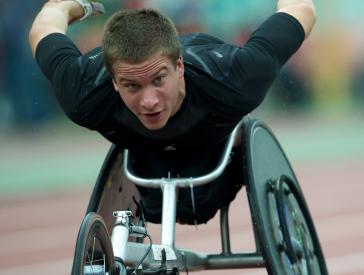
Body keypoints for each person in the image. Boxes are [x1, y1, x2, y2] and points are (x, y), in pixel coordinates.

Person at [29, 0, 316, 224]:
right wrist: (67, 6)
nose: (149, 101)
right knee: (158, 209)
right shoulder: (83, 91)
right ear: (114, 82)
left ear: (178, 67)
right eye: (131, 85)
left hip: (215, 146)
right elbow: (45, 27)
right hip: (144, 155)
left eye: (158, 80)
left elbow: (300, 8)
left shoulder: (235, 77)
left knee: (198, 207)